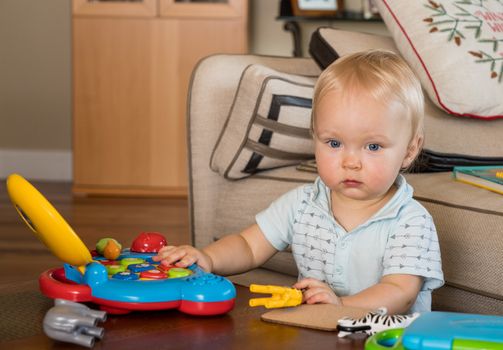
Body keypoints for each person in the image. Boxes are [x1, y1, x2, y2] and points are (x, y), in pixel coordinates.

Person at [154, 50, 444, 314]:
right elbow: (249, 245)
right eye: (334, 142)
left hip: (389, 340)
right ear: (314, 137)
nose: (350, 162)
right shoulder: (302, 203)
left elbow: (400, 292)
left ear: (408, 150)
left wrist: (341, 305)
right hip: (317, 332)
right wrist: (207, 259)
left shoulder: (410, 221)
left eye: (372, 147)